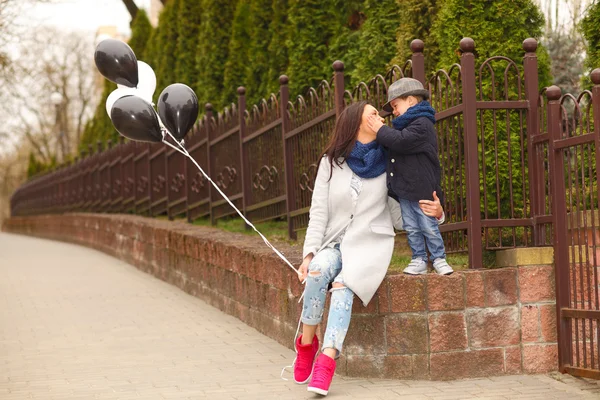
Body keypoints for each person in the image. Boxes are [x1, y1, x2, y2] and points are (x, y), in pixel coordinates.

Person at [293, 101, 443, 396]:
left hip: (370, 245)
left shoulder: (390, 161)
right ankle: (306, 345)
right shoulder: (331, 162)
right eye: (372, 113)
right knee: (318, 271)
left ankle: (327, 359)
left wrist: (436, 213)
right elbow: (319, 212)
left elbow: (402, 214)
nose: (379, 117)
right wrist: (309, 254)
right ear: (355, 122)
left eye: (379, 114)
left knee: (343, 286)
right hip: (333, 242)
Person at [367, 78, 453, 276]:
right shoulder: (403, 126)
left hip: (422, 189)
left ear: (411, 101)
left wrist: (379, 129)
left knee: (429, 226)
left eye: (395, 106)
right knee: (412, 228)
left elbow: (400, 141)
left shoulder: (422, 124)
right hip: (406, 189)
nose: (394, 112)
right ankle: (419, 259)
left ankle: (439, 258)